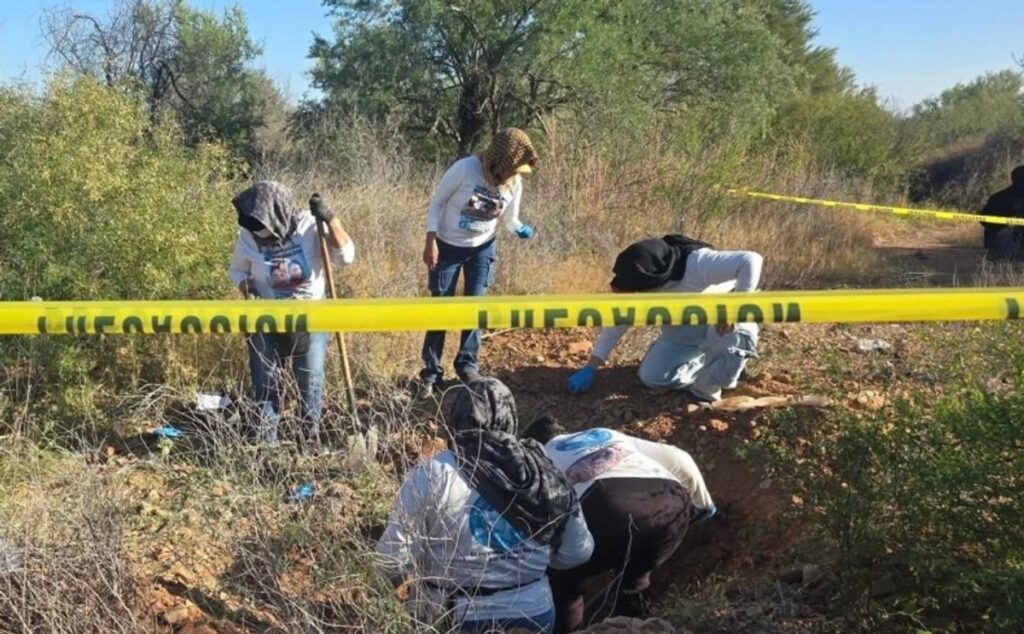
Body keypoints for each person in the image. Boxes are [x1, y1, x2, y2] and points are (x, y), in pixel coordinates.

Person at [375, 378, 593, 633]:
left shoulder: (432, 473)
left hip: (450, 616)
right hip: (532, 614)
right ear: (510, 418)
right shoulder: (545, 473)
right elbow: (578, 552)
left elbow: (392, 559)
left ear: (456, 418)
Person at [522, 416, 715, 633]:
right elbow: (680, 458)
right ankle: (634, 621)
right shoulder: (604, 435)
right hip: (673, 504)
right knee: (636, 578)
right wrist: (704, 506)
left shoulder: (537, 457)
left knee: (564, 581)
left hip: (609, 506)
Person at [228, 181, 354, 444]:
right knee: (265, 379)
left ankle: (308, 438)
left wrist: (331, 220)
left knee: (309, 378)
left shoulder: (309, 225)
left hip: (310, 314)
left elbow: (345, 258)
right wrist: (247, 286)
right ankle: (266, 441)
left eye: (262, 225)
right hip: (265, 316)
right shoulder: (249, 235)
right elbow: (237, 270)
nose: (259, 232)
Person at [567, 235, 763, 404]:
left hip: (720, 325)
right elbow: (617, 323)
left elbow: (750, 259)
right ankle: (711, 368)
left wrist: (736, 308)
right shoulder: (639, 282)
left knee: (737, 335)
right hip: (682, 331)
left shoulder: (696, 263)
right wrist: (591, 367)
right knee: (653, 377)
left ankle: (710, 390)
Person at [419, 128, 539, 395]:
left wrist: (519, 229)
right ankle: (431, 373)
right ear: (498, 162)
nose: (513, 175)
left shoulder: (514, 183)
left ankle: (467, 366)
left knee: (476, 307)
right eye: (511, 170)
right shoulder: (464, 170)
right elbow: (437, 204)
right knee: (440, 307)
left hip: (482, 248)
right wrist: (431, 241)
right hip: (448, 246)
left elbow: (509, 219)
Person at [980, 165, 1024, 259]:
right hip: (1001, 243)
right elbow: (985, 220)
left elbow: (983, 220)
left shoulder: (997, 197)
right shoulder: (999, 199)